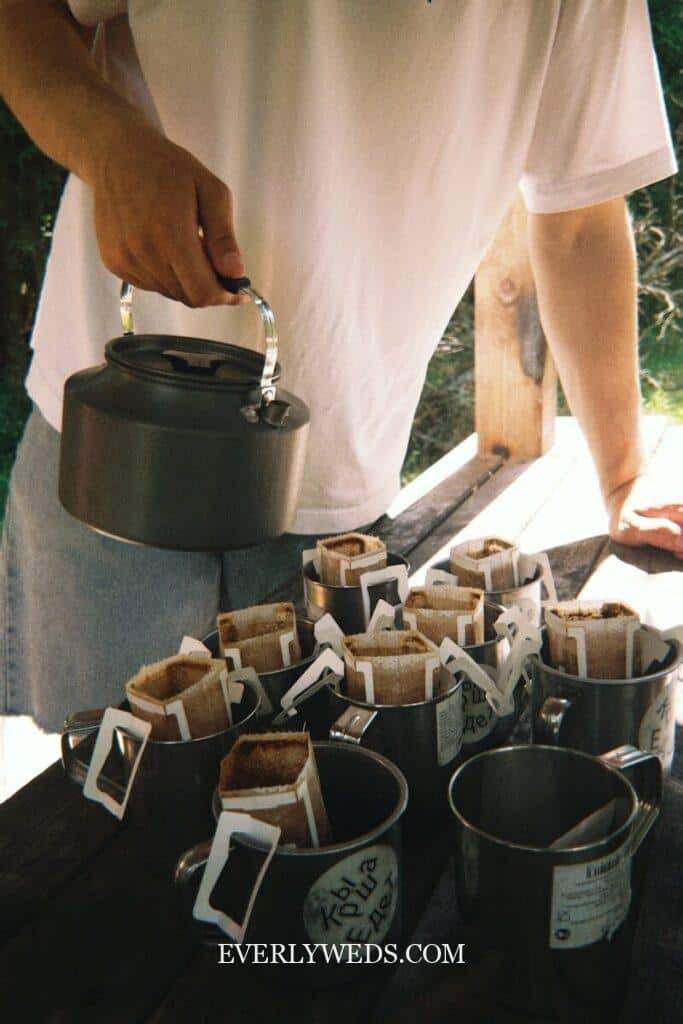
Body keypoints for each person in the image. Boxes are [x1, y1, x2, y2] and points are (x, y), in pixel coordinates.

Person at [0, 0, 679, 733]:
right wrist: (112, 146)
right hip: (114, 442)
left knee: (315, 801)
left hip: (335, 476)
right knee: (104, 797)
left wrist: (620, 474)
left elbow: (577, 220)